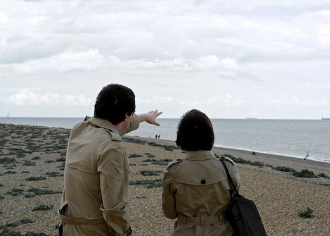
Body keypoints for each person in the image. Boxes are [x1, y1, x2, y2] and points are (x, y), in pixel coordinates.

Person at [58, 84, 162, 236]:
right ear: (126, 115)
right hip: (94, 231)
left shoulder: (80, 129)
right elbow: (113, 207)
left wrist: (145, 117)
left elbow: (116, 127)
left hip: (68, 228)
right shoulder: (111, 147)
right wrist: (125, 232)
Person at [162, 109, 241, 236]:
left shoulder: (173, 171)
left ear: (182, 137)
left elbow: (170, 213)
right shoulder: (227, 166)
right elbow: (234, 203)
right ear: (210, 136)